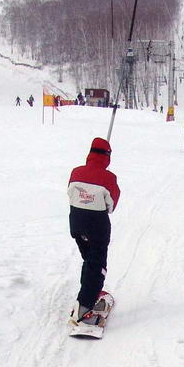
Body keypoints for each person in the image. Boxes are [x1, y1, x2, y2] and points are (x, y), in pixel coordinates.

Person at [67, 137, 120, 324]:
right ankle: (84, 307)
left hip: (76, 223)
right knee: (97, 266)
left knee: (89, 261)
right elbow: (111, 205)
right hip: (97, 226)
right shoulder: (109, 178)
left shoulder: (75, 172)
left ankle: (88, 293)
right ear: (107, 156)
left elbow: (70, 193)